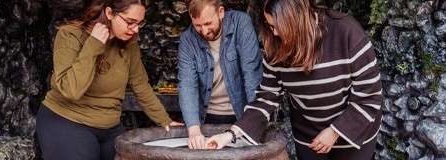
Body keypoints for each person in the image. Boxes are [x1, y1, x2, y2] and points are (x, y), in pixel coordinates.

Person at [206, 0, 382, 159]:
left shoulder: (346, 31)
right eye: (269, 26)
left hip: (353, 132)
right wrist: (230, 135)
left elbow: (370, 95)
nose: (273, 33)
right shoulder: (276, 47)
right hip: (309, 135)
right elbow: (266, 99)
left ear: (293, 21)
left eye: (276, 26)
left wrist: (335, 132)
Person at [36, 0, 183, 159]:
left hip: (109, 126)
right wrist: (93, 45)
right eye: (130, 22)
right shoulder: (69, 34)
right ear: (110, 13)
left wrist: (165, 120)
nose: (135, 30)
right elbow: (71, 90)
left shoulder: (129, 42)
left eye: (140, 23)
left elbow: (140, 85)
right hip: (67, 120)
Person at [177, 0, 263, 149]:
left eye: (208, 23)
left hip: (242, 114)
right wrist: (194, 130)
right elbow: (187, 85)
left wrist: (253, 122)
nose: (203, 31)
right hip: (207, 117)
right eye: (197, 25)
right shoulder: (187, 39)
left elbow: (252, 74)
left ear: (221, 12)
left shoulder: (241, 23)